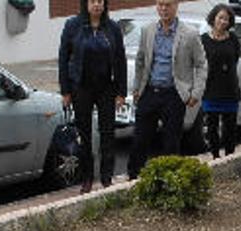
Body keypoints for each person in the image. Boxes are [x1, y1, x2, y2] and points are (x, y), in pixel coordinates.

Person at [128, 0, 207, 180]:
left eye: (168, 5)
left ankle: (168, 181)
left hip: (174, 94)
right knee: (140, 139)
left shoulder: (190, 34)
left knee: (171, 143)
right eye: (160, 5)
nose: (163, 9)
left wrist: (196, 92)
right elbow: (141, 61)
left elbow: (202, 65)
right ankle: (133, 179)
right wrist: (137, 88)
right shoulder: (147, 30)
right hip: (149, 92)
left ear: (176, 6)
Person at [59, 0, 127, 192]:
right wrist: (65, 91)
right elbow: (63, 58)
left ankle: (106, 178)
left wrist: (121, 92)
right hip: (81, 87)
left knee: (107, 133)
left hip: (106, 87)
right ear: (85, 4)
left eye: (100, 1)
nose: (96, 5)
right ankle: (87, 178)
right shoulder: (73, 25)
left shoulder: (112, 28)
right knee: (84, 135)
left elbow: (120, 60)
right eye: (92, 1)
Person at [200, 4, 241, 160]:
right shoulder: (203, 40)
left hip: (230, 89)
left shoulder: (233, 39)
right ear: (213, 18)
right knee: (211, 127)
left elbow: (235, 60)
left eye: (226, 19)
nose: (223, 22)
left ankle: (229, 157)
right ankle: (215, 157)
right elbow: (200, 63)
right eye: (220, 18)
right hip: (210, 90)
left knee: (230, 129)